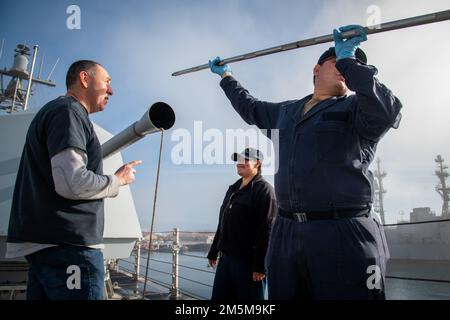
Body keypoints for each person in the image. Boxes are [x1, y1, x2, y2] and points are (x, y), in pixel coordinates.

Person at [208, 25, 402, 299]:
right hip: (286, 233)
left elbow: (388, 111)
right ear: (316, 69)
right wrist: (226, 76)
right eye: (338, 61)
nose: (346, 68)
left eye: (353, 65)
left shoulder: (356, 108)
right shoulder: (285, 112)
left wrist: (349, 61)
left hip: (344, 232)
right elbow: (249, 106)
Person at [6, 60, 142, 300]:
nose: (112, 90)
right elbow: (72, 182)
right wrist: (118, 180)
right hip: (70, 250)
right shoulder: (68, 111)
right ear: (85, 79)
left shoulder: (58, 111)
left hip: (47, 250)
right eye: (107, 82)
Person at [207, 148, 277, 300]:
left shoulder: (265, 191)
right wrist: (213, 251)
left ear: (257, 163)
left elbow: (267, 231)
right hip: (225, 260)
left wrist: (260, 266)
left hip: (249, 263)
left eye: (246, 160)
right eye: (239, 160)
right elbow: (223, 222)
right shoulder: (232, 189)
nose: (240, 163)